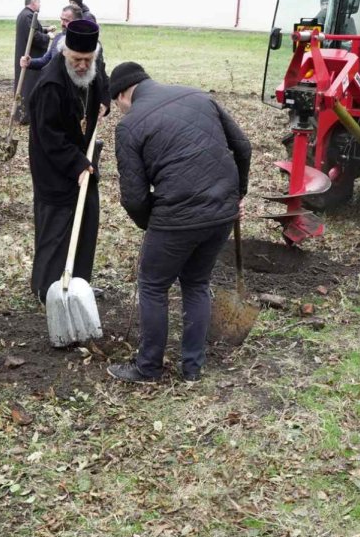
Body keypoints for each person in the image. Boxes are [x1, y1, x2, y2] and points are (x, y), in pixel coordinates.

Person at [104, 62, 251, 384]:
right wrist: (237, 194)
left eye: (116, 104)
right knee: (196, 283)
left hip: (178, 217)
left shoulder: (129, 126)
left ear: (123, 94)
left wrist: (151, 225)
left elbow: (133, 197)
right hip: (221, 213)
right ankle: (192, 368)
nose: (119, 111)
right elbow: (243, 146)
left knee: (153, 285)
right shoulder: (199, 96)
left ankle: (148, 368)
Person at [27, 19, 110, 304]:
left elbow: (104, 85)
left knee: (86, 221)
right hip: (54, 168)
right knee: (57, 229)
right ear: (65, 53)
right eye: (77, 59)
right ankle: (46, 289)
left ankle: (76, 284)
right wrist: (77, 163)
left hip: (82, 162)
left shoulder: (93, 72)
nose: (83, 66)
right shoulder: (50, 84)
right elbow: (49, 135)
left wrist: (105, 103)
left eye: (88, 60)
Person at [14, 0, 52, 124]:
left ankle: (26, 114)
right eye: (39, 2)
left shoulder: (26, 15)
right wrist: (48, 37)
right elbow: (33, 36)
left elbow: (34, 31)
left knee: (27, 84)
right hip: (30, 55)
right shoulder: (27, 16)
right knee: (28, 85)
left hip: (29, 54)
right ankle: (25, 115)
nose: (40, 5)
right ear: (33, 2)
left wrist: (46, 30)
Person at [21, 5, 82, 72]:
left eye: (66, 20)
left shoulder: (84, 42)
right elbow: (45, 61)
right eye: (61, 19)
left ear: (77, 22)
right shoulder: (58, 38)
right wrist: (30, 62)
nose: (62, 23)